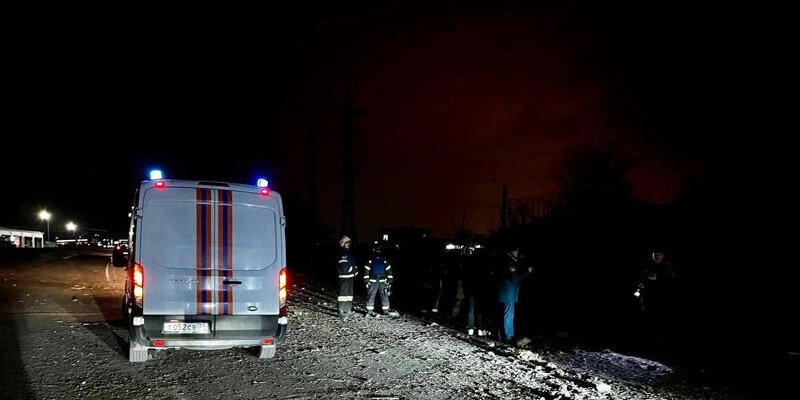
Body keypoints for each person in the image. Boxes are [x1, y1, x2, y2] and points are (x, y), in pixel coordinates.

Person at [634, 249, 678, 357]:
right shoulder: (646, 264)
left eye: (660, 254)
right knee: (645, 321)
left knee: (660, 324)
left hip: (661, 300)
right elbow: (639, 278)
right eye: (656, 254)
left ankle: (659, 350)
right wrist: (640, 286)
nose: (658, 256)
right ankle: (644, 347)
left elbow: (672, 280)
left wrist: (658, 278)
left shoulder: (667, 266)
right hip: (646, 298)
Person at [496, 244, 532, 344]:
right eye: (516, 250)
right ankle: (509, 336)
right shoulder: (509, 262)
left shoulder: (508, 260)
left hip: (508, 291)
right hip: (508, 291)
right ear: (512, 251)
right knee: (509, 313)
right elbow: (514, 278)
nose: (518, 252)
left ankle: (505, 335)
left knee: (507, 313)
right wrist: (527, 272)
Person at [363, 243, 398, 317]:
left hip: (382, 280)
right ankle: (369, 311)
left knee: (384, 295)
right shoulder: (371, 259)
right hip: (373, 280)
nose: (378, 251)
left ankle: (385, 311)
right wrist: (366, 281)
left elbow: (388, 270)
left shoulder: (383, 260)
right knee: (371, 295)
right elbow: (366, 270)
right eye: (377, 249)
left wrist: (390, 281)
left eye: (379, 249)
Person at [336, 236, 357, 320]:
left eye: (349, 243)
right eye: (347, 242)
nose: (349, 244)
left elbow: (352, 263)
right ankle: (341, 310)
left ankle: (348, 310)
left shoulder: (348, 252)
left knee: (349, 294)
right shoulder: (342, 253)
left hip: (350, 275)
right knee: (343, 294)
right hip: (344, 275)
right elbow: (344, 265)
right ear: (343, 243)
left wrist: (355, 270)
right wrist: (351, 269)